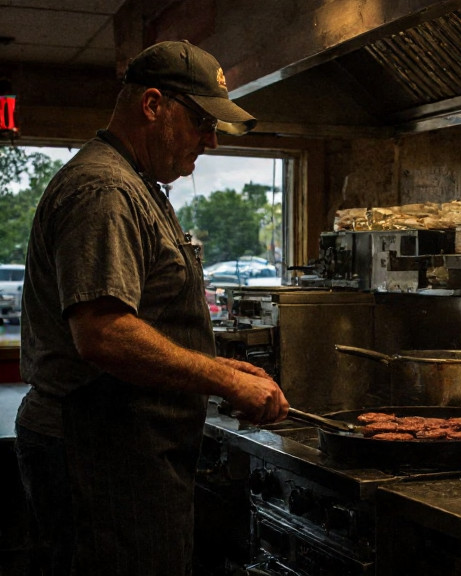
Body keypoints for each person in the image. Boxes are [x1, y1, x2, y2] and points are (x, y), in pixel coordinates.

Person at [15, 39, 290, 576]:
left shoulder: (138, 184)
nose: (210, 141)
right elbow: (104, 333)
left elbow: (145, 319)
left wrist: (219, 369)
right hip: (98, 452)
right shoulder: (105, 189)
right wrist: (220, 379)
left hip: (125, 449)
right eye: (201, 123)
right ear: (153, 104)